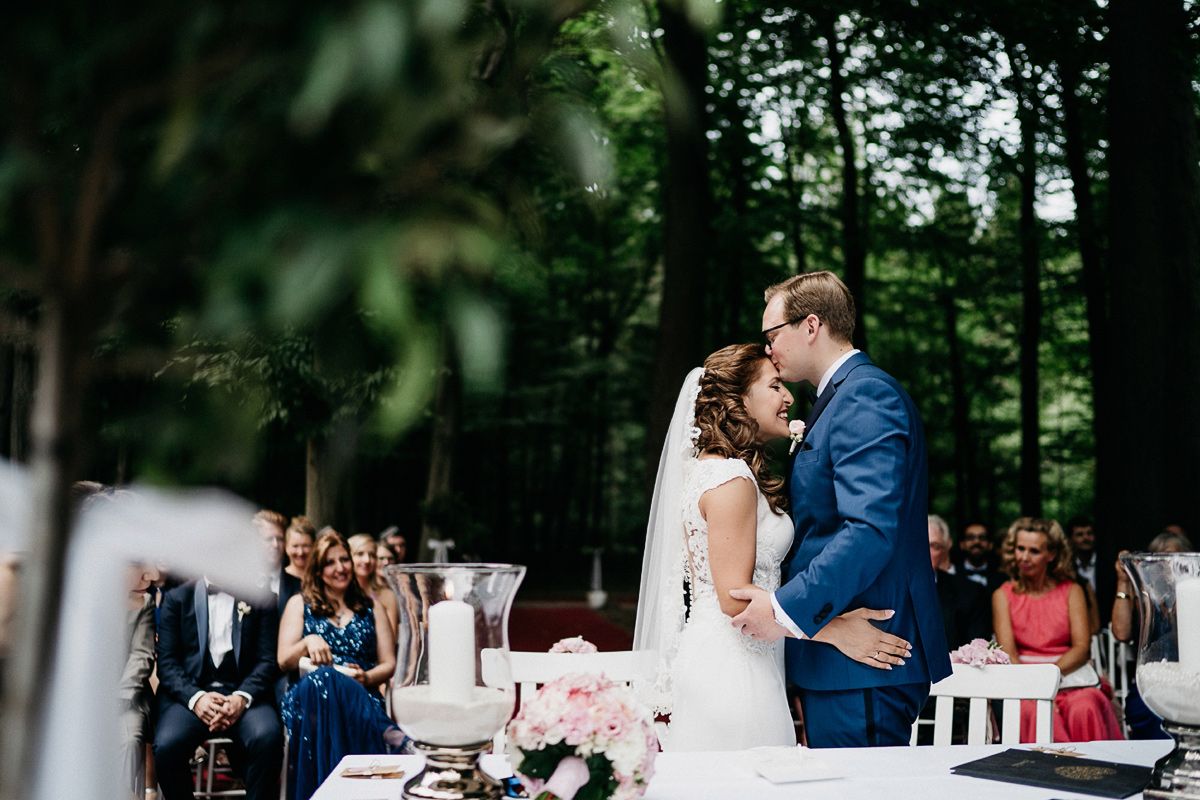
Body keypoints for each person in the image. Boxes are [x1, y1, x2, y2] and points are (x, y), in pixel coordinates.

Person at [634, 344, 910, 751]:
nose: (789, 397)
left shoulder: (716, 470)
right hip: (733, 669)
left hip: (744, 657)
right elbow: (734, 600)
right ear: (739, 401)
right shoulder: (730, 480)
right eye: (775, 385)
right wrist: (834, 631)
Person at [731, 271, 950, 748]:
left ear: (810, 326)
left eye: (772, 335)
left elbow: (870, 529)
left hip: (866, 655)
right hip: (841, 653)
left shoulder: (865, 396)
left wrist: (787, 611)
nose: (767, 348)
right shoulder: (838, 400)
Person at [278, 530, 402, 799]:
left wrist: (367, 679)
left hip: (362, 695)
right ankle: (391, 735)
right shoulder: (300, 604)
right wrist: (308, 641)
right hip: (310, 700)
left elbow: (389, 663)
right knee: (325, 677)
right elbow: (283, 659)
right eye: (330, 563)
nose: (340, 568)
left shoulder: (371, 607)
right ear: (318, 570)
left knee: (335, 682)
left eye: (344, 559)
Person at [993, 517, 1123, 743]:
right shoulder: (1002, 595)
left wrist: (1050, 675)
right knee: (1033, 712)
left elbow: (1082, 648)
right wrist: (1035, 683)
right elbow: (1009, 653)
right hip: (1025, 679)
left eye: (1034, 551)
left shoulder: (1072, 591)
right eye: (1020, 549)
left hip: (1070, 673)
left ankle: (1093, 771)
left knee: (1086, 706)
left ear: (1051, 555)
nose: (1024, 557)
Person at [152, 578, 283, 800]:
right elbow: (167, 664)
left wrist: (241, 697)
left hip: (244, 695)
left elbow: (267, 661)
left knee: (267, 737)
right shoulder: (176, 598)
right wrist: (197, 698)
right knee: (167, 746)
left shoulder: (263, 598)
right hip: (191, 696)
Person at [1111, 529, 1193, 740]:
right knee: (1143, 709)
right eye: (1160, 559)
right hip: (1153, 680)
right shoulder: (1145, 598)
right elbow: (1121, 633)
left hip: (1191, 680)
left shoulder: (1194, 595)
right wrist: (1123, 581)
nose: (1167, 567)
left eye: (1174, 559)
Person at [120, 563, 157, 800]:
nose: (151, 576)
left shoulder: (145, 604)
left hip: (126, 698)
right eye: (138, 564)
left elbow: (141, 655)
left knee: (128, 739)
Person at [929, 515, 990, 648]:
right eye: (918, 544)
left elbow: (978, 651)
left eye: (934, 546)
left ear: (945, 549)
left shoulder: (971, 593)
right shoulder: (886, 590)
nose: (924, 552)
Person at [347, 533, 400, 637]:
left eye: (372, 555)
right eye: (360, 554)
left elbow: (392, 639)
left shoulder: (387, 596)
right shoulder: (340, 594)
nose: (367, 560)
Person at [1067, 515, 1113, 628]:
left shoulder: (1108, 565)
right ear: (1070, 539)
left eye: (1089, 533)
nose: (1085, 538)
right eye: (1079, 535)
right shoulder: (1067, 567)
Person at [279, 516, 316, 617]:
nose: (300, 552)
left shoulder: (321, 578)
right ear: (286, 547)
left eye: (305, 546)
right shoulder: (279, 579)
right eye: (295, 546)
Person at [954, 521, 1006, 591]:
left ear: (990, 545)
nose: (976, 541)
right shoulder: (952, 574)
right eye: (970, 537)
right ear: (962, 544)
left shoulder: (1002, 578)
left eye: (982, 537)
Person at [254, 510, 287, 598]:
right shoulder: (241, 584)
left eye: (280, 539)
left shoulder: (298, 587)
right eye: (269, 539)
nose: (275, 545)